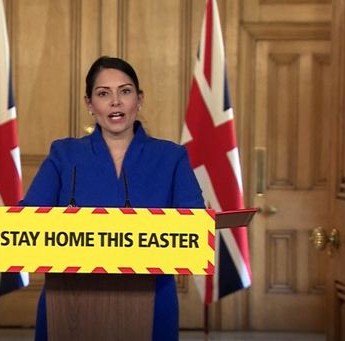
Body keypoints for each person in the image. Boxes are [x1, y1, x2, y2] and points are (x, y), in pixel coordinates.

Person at [19, 56, 205, 340]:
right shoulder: (64, 155)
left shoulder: (171, 157)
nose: (115, 102)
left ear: (139, 100)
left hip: (153, 300)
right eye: (104, 94)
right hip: (68, 304)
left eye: (125, 91)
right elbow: (26, 220)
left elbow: (195, 229)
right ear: (89, 105)